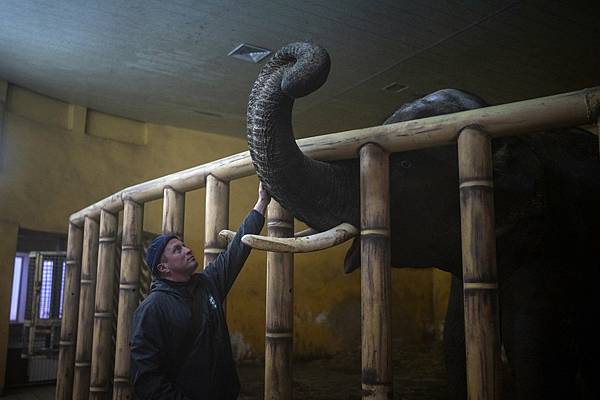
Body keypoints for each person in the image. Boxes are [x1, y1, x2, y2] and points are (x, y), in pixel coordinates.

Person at [130, 183, 271, 400]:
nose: (187, 250)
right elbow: (148, 380)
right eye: (177, 250)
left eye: (184, 245)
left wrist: (261, 202)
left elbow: (236, 251)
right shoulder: (151, 309)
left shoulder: (207, 284)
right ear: (163, 268)